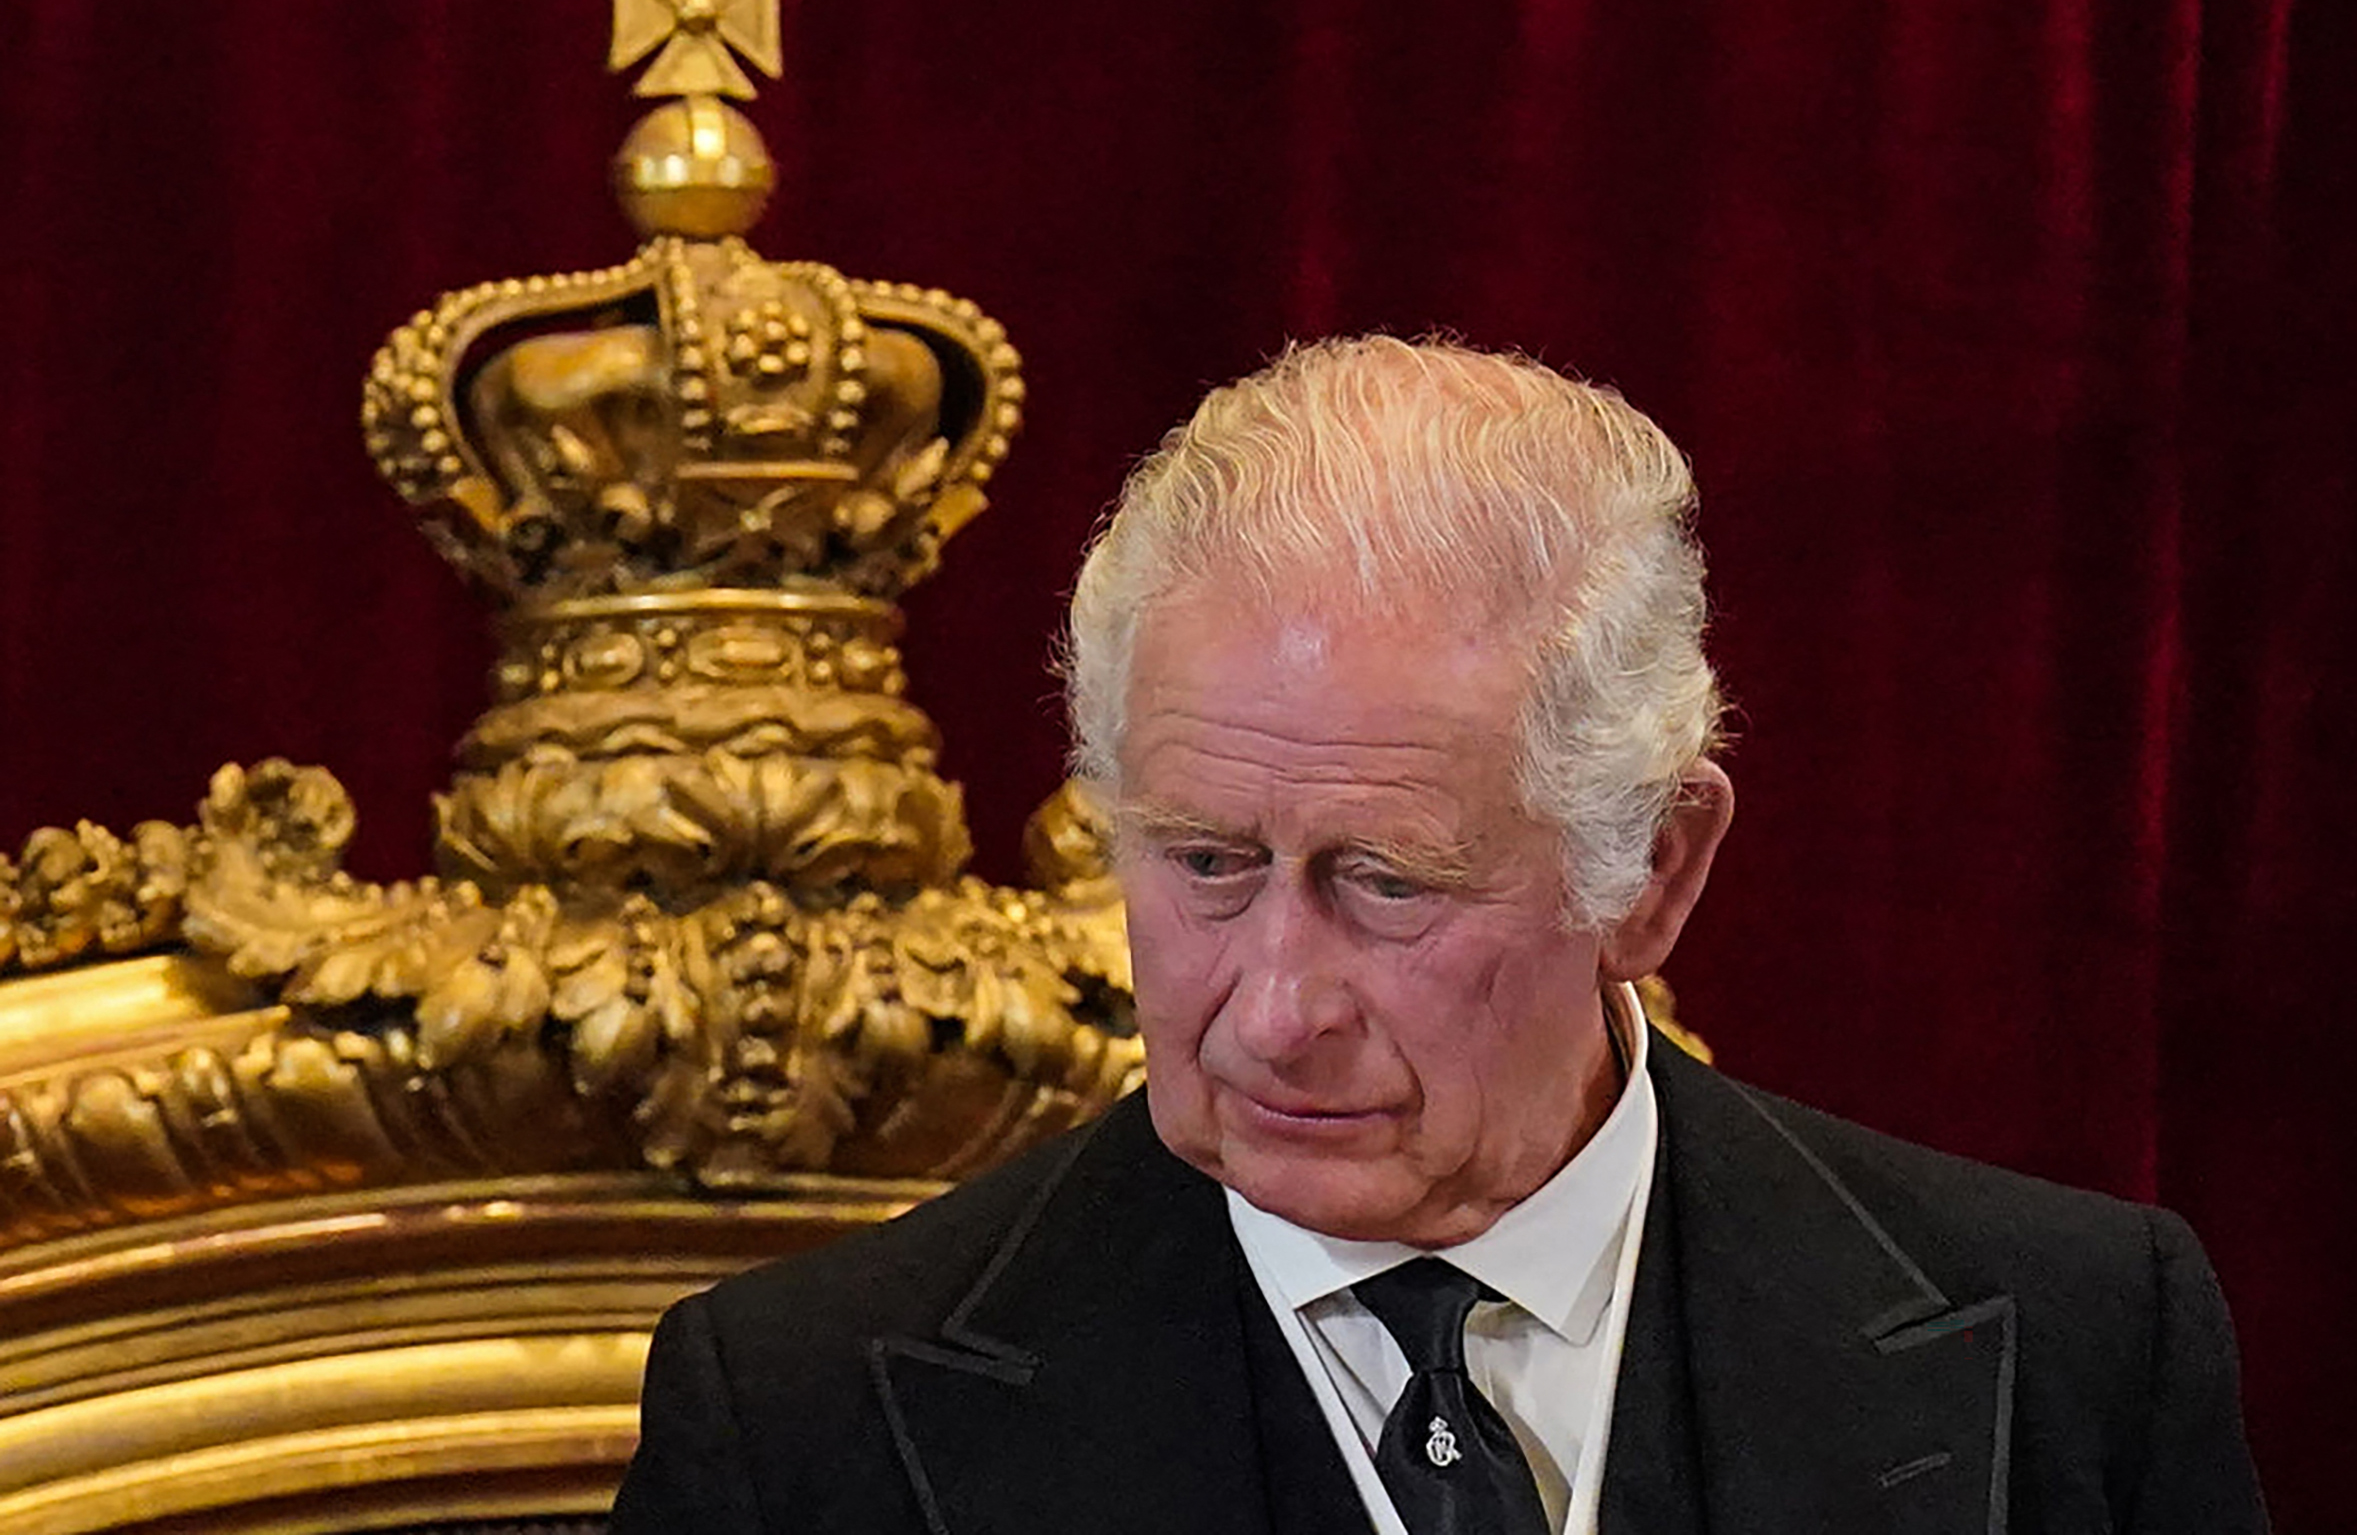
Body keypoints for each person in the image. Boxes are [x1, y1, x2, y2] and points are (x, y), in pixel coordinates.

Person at [610, 336, 2266, 1534]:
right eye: (1203, 862)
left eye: (1384, 881)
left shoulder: (2072, 1350)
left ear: (1655, 872)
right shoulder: (801, 1429)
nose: (1270, 1009)